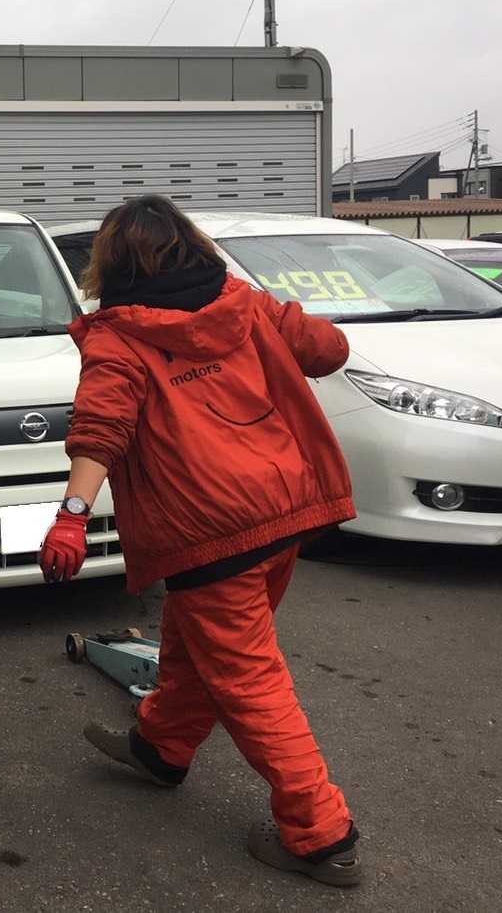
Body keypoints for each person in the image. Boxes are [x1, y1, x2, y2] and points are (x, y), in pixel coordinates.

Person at [38, 194, 363, 887]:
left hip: (206, 530)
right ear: (192, 245)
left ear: (109, 264)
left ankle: (319, 832)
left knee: (248, 677)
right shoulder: (243, 303)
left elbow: (100, 431)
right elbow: (330, 350)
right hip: (282, 512)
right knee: (198, 638)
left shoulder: (118, 337)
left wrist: (71, 514)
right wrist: (277, 312)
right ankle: (163, 747)